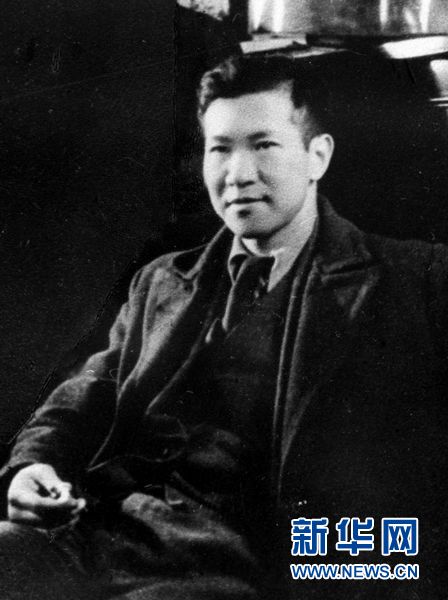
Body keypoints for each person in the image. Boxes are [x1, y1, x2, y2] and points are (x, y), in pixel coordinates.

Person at [1, 53, 448, 600]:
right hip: (101, 531)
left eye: (263, 146)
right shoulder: (162, 280)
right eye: (220, 149)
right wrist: (33, 466)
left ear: (317, 156)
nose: (238, 175)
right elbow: (86, 393)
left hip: (255, 570)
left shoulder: (413, 280)